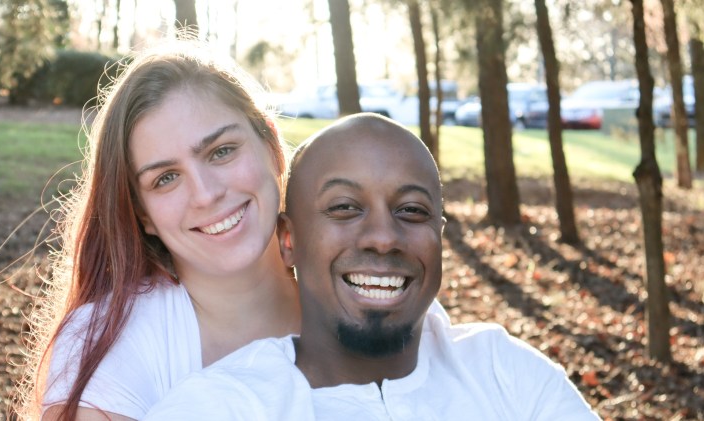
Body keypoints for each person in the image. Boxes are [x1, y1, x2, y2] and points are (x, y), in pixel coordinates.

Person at [142, 113, 600, 420]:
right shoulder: (221, 407)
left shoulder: (506, 373)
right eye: (344, 207)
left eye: (412, 210)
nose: (383, 237)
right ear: (289, 241)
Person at [15, 40, 303, 420]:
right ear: (143, 213)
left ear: (272, 148)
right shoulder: (110, 343)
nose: (205, 194)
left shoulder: (365, 295)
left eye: (221, 151)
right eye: (166, 178)